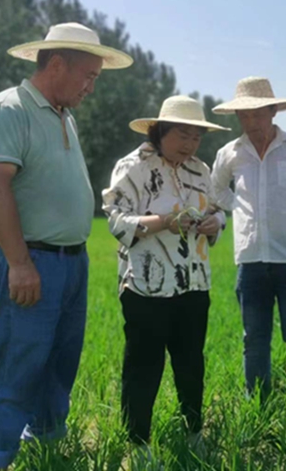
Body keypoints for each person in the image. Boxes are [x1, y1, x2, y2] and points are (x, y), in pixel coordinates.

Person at [0, 22, 133, 469]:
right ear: (57, 64)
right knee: (17, 361)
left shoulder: (64, 116)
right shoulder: (10, 109)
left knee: (60, 357)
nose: (91, 87)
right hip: (32, 259)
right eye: (89, 76)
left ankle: (45, 441)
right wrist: (19, 264)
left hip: (71, 261)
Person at [101, 95, 229, 466]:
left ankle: (194, 433)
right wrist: (163, 222)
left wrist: (215, 223)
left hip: (193, 284)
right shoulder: (133, 167)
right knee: (143, 366)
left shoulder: (200, 170)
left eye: (196, 137)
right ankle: (138, 444)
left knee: (191, 364)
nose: (190, 144)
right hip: (146, 287)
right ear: (159, 132)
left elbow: (216, 211)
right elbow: (116, 220)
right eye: (182, 135)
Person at [210, 77, 286, 408]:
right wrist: (239, 206)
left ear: (273, 111)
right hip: (250, 260)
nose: (251, 121)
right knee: (254, 339)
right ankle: (258, 407)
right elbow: (215, 189)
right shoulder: (230, 153)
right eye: (244, 115)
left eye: (257, 113)